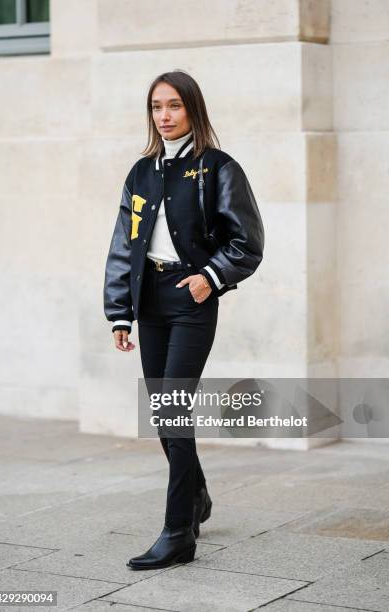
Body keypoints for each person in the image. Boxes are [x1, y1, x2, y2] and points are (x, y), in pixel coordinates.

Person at [103, 70, 264, 570]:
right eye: (156, 107)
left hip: (191, 300)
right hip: (148, 301)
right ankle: (195, 497)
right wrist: (119, 313)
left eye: (174, 106)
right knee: (163, 415)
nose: (165, 116)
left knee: (173, 410)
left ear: (193, 109)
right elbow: (123, 247)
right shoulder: (140, 172)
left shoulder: (219, 168)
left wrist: (208, 279)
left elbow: (247, 243)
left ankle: (178, 534)